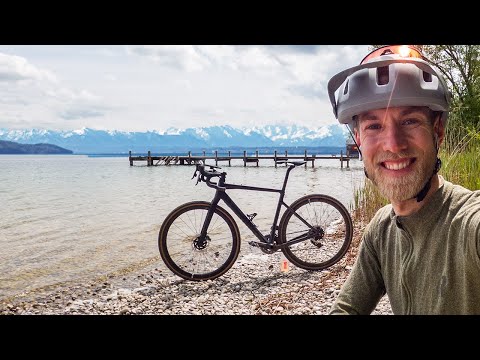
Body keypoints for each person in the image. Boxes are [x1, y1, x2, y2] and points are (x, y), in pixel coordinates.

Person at [326, 45, 480, 315]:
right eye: (374, 126)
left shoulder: (467, 224)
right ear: (359, 141)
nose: (394, 145)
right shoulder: (381, 229)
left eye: (409, 121)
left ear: (438, 131)